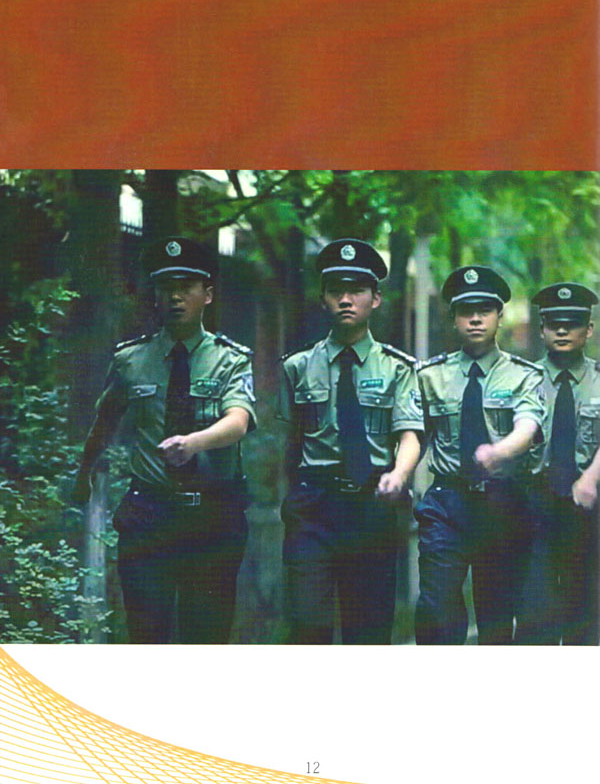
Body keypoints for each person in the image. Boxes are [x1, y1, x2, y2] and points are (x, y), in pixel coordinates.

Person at [72, 236, 256, 643]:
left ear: (207, 295)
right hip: (150, 515)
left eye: (186, 287)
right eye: (166, 287)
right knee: (146, 634)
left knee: (204, 638)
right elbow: (104, 421)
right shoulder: (131, 360)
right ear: (155, 295)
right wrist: (84, 473)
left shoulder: (230, 360)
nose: (175, 297)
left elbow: (239, 421)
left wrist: (194, 442)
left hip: (211, 517)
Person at [277, 238, 424, 644]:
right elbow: (289, 439)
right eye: (336, 291)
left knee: (369, 632)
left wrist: (399, 474)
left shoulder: (397, 369)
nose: (346, 299)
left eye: (357, 290)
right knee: (307, 627)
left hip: (371, 504)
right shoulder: (297, 368)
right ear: (323, 298)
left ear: (375, 299)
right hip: (313, 508)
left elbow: (409, 434)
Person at [415, 265, 545, 644]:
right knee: (436, 612)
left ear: (499, 316)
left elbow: (528, 425)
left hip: (501, 504)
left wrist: (499, 451)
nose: (475, 319)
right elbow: (411, 434)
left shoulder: (523, 375)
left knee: (496, 619)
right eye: (465, 311)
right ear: (453, 317)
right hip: (446, 503)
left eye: (484, 310)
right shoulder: (429, 376)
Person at [516, 283, 599, 644]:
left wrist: (591, 478)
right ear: (542, 329)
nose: (562, 330)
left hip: (590, 510)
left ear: (589, 329)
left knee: (587, 617)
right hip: (536, 507)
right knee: (535, 617)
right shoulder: (522, 380)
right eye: (554, 323)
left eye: (573, 323)